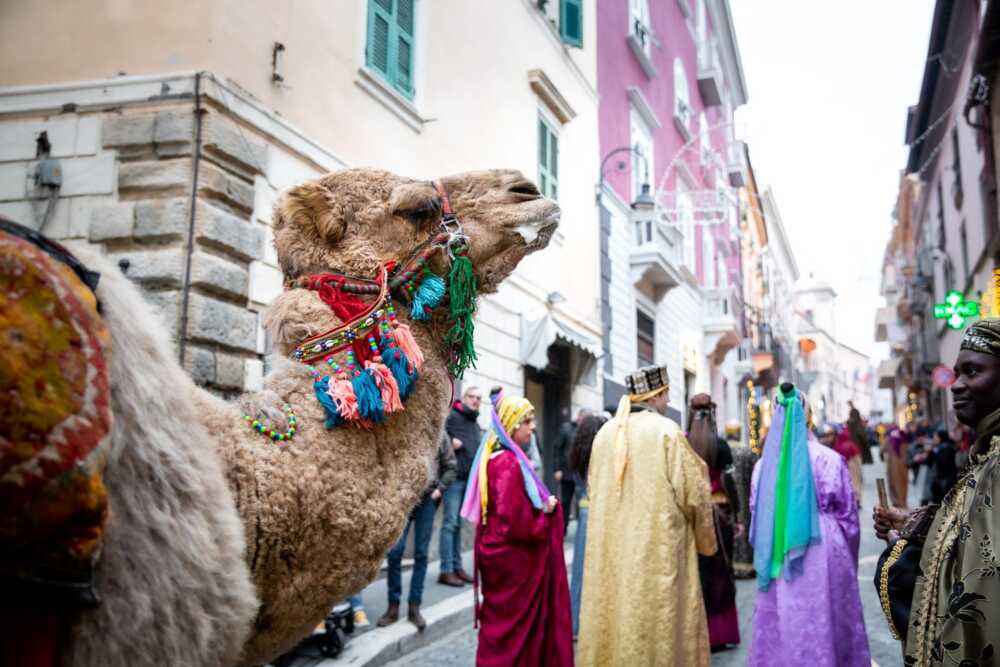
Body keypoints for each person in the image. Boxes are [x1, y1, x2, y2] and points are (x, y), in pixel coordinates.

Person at [873, 320, 1000, 664]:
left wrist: (904, 551)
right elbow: (967, 526)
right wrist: (913, 523)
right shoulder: (986, 453)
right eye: (957, 373)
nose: (957, 386)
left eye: (972, 372)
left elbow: (981, 585)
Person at [577, 365, 717, 666]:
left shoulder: (604, 434)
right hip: (659, 552)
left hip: (613, 552)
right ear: (660, 394)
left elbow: (593, 486)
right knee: (659, 624)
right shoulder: (667, 432)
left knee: (617, 617)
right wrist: (707, 541)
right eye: (667, 394)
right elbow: (694, 495)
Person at [749, 384, 870, 666]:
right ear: (810, 417)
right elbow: (849, 517)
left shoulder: (763, 467)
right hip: (826, 549)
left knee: (785, 619)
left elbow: (757, 516)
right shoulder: (830, 459)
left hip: (780, 550)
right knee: (829, 618)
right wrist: (848, 559)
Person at [459, 391, 572, 666]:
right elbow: (516, 522)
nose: (533, 426)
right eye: (527, 421)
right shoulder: (507, 463)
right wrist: (546, 515)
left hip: (500, 555)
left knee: (501, 626)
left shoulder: (501, 456)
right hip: (512, 560)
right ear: (512, 425)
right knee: (512, 631)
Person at [377, 431, 456, 630]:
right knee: (395, 552)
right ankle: (392, 606)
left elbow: (451, 467)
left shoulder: (440, 434)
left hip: (428, 500)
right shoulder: (408, 428)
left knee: (421, 554)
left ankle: (414, 607)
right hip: (404, 498)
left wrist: (439, 490)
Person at [687, 393, 740, 652]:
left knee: (697, 574)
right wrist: (738, 515)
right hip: (720, 515)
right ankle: (720, 633)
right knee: (721, 574)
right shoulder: (720, 446)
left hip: (692, 516)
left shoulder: (683, 444)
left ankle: (696, 635)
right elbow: (730, 484)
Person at [439, 386, 482, 587]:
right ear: (464, 398)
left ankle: (457, 567)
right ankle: (446, 570)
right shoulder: (453, 416)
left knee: (457, 525)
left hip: (467, 480)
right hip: (453, 479)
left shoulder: (474, 422)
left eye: (478, 398)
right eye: (472, 397)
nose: (475, 401)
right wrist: (450, 441)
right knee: (450, 524)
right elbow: (439, 435)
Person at [567, 413, 606, 637]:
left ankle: (575, 624)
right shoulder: (600, 455)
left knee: (580, 572)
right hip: (598, 512)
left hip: (583, 510)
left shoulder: (577, 454)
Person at [727, 420, 758, 579]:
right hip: (745, 498)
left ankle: (730, 566)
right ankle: (746, 566)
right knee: (745, 528)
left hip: (726, 501)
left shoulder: (722, 450)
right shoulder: (747, 452)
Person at [555, 408, 591, 532]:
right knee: (565, 502)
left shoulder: (586, 430)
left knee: (581, 502)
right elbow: (557, 449)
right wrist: (557, 469)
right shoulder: (566, 428)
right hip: (566, 472)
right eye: (584, 419)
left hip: (581, 473)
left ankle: (581, 528)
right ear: (579, 417)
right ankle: (563, 529)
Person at [883, 422, 910, 508]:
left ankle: (896, 501)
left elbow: (882, 449)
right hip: (903, 464)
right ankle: (903, 501)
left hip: (892, 464)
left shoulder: (889, 438)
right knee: (903, 482)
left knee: (893, 483)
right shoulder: (904, 437)